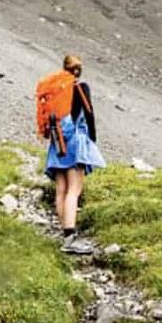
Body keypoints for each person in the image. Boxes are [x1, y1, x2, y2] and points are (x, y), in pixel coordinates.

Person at [42, 53, 106, 253]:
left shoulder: (55, 88)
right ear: (78, 70)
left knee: (61, 189)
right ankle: (70, 238)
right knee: (74, 190)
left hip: (57, 142)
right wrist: (92, 141)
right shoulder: (80, 87)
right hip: (75, 142)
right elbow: (89, 114)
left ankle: (65, 233)